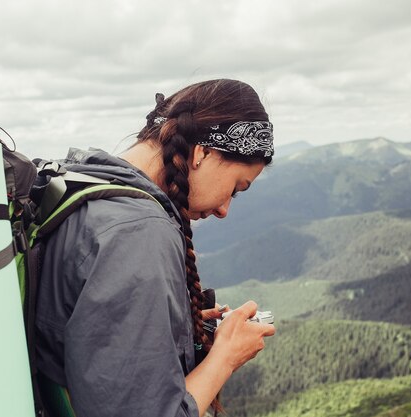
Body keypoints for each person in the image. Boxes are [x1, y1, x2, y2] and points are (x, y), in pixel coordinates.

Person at [34, 79, 276, 417]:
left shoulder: (83, 183)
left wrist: (170, 326)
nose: (224, 210)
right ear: (203, 152)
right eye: (236, 188)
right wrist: (225, 357)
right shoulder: (137, 233)